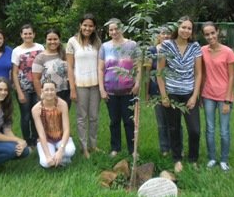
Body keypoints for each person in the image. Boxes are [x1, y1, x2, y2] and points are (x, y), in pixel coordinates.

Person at [157, 16, 202, 173]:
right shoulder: (167, 46)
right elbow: (160, 72)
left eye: (189, 28)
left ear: (192, 31)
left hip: (189, 93)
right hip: (172, 94)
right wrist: (164, 96)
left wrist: (194, 96)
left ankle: (193, 158)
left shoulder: (195, 46)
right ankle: (177, 159)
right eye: (183, 27)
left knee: (195, 129)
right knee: (174, 128)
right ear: (178, 28)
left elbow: (198, 73)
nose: (186, 30)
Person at [98, 18, 139, 157]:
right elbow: (101, 69)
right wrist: (102, 89)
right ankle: (115, 148)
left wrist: (138, 83)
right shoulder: (104, 47)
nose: (114, 31)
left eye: (117, 28)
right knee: (114, 121)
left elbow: (139, 66)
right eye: (111, 29)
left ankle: (132, 150)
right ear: (108, 32)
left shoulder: (132, 45)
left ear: (122, 29)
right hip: (111, 91)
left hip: (129, 90)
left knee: (129, 121)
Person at [201, 22, 234, 171]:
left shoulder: (228, 52)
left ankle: (223, 159)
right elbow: (201, 73)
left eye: (212, 33)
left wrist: (228, 100)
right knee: (209, 128)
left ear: (218, 32)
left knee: (224, 130)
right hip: (208, 95)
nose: (210, 37)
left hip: (224, 97)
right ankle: (212, 158)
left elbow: (231, 77)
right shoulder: (202, 50)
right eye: (207, 34)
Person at [66, 14, 102, 159]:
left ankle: (93, 145)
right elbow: (69, 67)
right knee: (82, 117)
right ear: (80, 25)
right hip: (80, 84)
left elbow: (101, 64)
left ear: (94, 28)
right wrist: (72, 88)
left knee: (94, 117)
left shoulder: (97, 42)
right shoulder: (72, 42)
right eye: (85, 25)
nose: (87, 28)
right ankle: (84, 147)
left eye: (90, 26)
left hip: (95, 84)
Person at [12, 24, 45, 148]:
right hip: (24, 87)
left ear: (34, 34)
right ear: (21, 35)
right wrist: (19, 91)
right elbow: (15, 73)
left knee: (37, 113)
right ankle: (27, 140)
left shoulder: (40, 47)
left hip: (39, 86)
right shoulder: (17, 51)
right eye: (25, 33)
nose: (28, 35)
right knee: (25, 115)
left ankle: (36, 139)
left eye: (30, 33)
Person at [146, 26, 177, 156]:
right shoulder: (151, 51)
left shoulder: (175, 50)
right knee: (161, 123)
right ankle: (164, 149)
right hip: (156, 91)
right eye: (163, 34)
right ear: (158, 36)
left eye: (168, 34)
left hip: (173, 90)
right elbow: (147, 73)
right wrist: (147, 93)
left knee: (175, 122)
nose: (165, 36)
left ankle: (176, 147)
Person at [32, 81, 76, 168]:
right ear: (42, 91)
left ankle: (59, 156)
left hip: (61, 138)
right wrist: (48, 156)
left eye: (52, 90)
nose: (49, 92)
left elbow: (67, 129)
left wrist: (61, 149)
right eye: (46, 90)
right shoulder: (36, 109)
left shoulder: (62, 104)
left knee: (70, 151)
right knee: (45, 163)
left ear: (56, 91)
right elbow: (41, 134)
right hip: (46, 139)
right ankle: (62, 160)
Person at [33, 29, 70, 109]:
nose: (52, 42)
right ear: (45, 40)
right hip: (48, 94)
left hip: (65, 92)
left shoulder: (64, 55)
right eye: (50, 39)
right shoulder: (40, 58)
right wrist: (41, 96)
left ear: (59, 40)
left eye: (55, 39)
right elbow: (36, 79)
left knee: (63, 118)